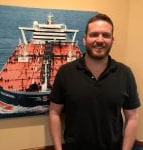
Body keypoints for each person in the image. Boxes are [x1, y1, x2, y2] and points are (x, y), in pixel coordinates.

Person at [49, 13, 141, 150]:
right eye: (94, 34)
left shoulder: (125, 73)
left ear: (112, 40)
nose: (100, 40)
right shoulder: (65, 72)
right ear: (85, 39)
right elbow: (54, 112)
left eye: (106, 35)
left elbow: (132, 117)